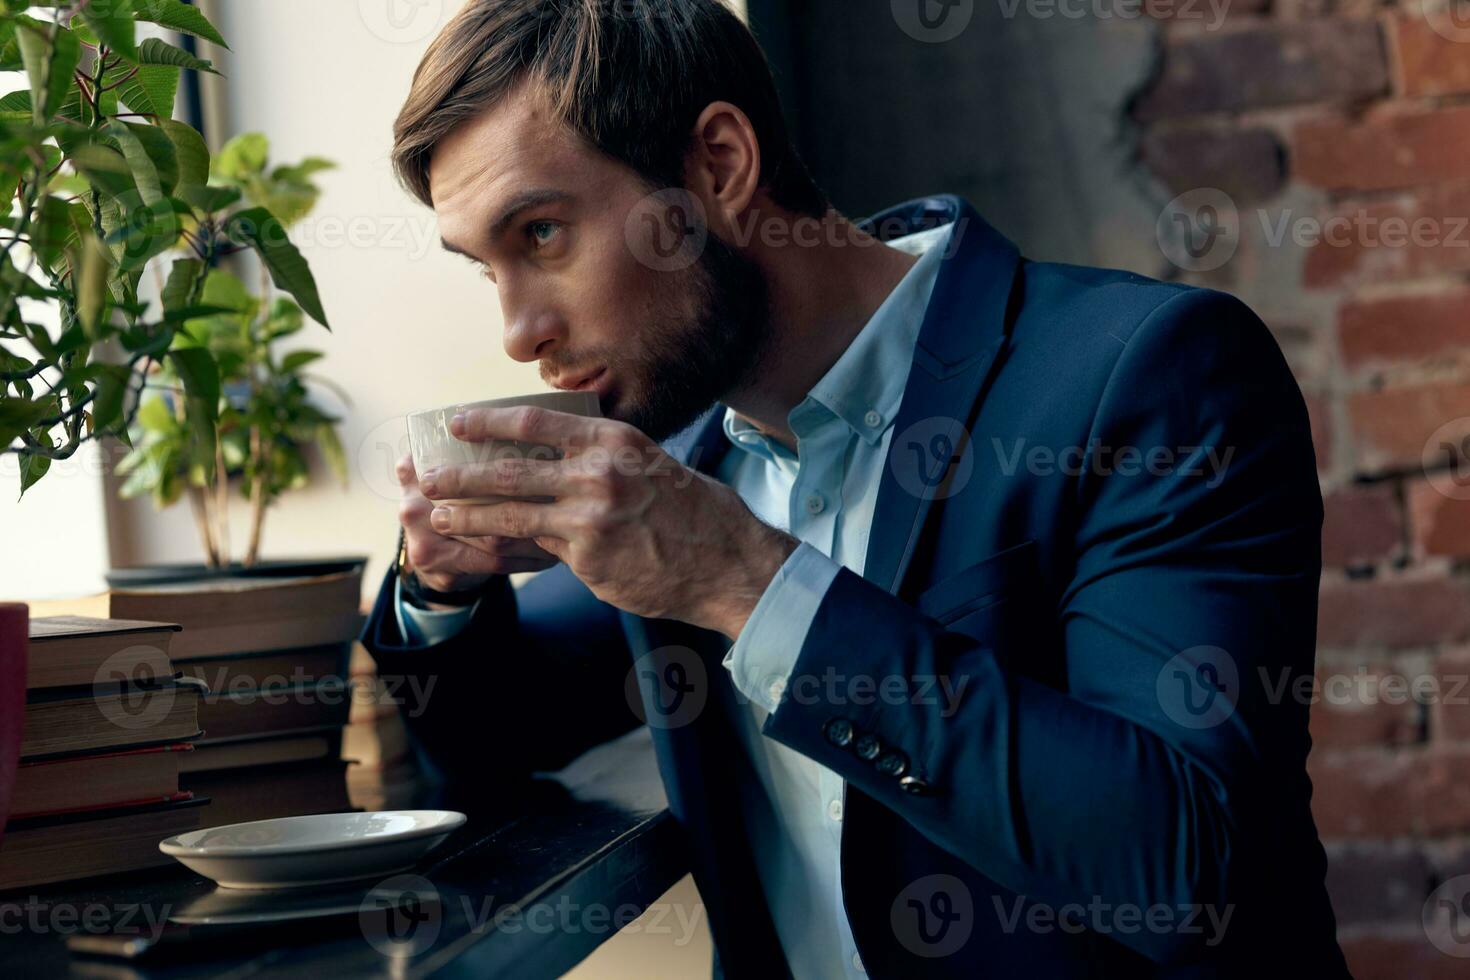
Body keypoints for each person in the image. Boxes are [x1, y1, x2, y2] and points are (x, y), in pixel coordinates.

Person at [361, 1, 1348, 975]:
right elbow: (497, 739)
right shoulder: (691, 469)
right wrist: (439, 588)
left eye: (540, 235)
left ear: (719, 166)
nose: (517, 331)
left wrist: (749, 583)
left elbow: (1190, 869)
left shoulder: (1148, 375)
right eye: (484, 268)